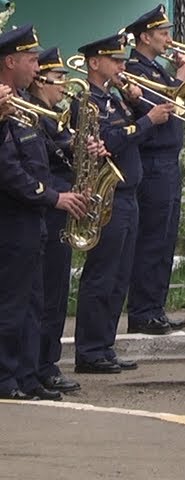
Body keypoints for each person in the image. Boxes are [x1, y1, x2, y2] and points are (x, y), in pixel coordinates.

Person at [74, 32, 174, 376]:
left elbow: (126, 129)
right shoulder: (87, 101)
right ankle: (89, 349)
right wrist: (146, 121)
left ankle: (105, 344)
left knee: (119, 275)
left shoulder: (114, 99)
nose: (121, 65)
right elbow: (110, 140)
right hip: (109, 195)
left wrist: (135, 101)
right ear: (94, 63)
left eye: (120, 60)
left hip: (128, 193)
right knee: (103, 274)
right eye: (114, 60)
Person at [0, 26, 90, 401]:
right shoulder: (5, 108)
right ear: (10, 61)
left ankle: (27, 374)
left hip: (31, 217)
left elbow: (43, 152)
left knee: (34, 301)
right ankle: (5, 380)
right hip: (12, 217)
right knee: (11, 303)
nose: (37, 68)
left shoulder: (21, 104)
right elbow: (8, 170)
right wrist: (53, 197)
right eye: (31, 59)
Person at [124, 4, 185, 335]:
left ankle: (155, 306)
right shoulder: (135, 70)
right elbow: (159, 108)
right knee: (152, 237)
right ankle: (143, 310)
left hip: (167, 161)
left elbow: (182, 106)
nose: (169, 39)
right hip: (152, 161)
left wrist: (181, 78)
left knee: (165, 238)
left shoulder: (160, 70)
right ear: (145, 36)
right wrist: (180, 80)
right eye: (163, 34)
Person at [28, 47, 81, 394]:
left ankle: (48, 361)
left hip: (61, 207)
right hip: (48, 207)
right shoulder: (39, 118)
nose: (63, 86)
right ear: (40, 80)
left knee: (57, 291)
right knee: (44, 294)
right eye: (58, 78)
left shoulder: (53, 116)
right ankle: (40, 365)